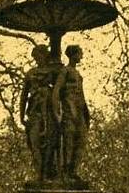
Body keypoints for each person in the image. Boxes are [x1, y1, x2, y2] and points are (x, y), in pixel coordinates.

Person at [20, 44, 63, 181]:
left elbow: (61, 92)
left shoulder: (55, 71)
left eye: (38, 56)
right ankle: (40, 173)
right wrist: (21, 116)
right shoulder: (31, 73)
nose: (36, 59)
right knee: (35, 144)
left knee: (51, 144)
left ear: (45, 55)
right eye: (35, 57)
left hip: (50, 113)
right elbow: (23, 96)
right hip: (34, 113)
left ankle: (48, 174)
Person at [51, 44, 91, 180]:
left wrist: (86, 112)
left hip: (79, 112)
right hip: (69, 111)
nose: (82, 55)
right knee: (68, 142)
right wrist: (57, 112)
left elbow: (82, 94)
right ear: (73, 55)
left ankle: (73, 170)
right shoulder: (65, 71)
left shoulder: (78, 74)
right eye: (80, 53)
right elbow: (56, 91)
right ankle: (66, 171)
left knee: (81, 141)